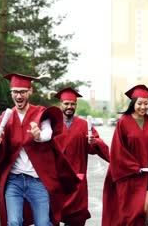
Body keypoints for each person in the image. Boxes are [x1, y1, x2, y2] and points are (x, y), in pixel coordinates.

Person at [0, 73, 81, 226]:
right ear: (11, 93)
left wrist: (38, 136)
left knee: (43, 223)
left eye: (23, 92)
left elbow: (48, 133)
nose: (19, 95)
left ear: (30, 91)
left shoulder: (40, 113)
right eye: (15, 92)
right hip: (14, 181)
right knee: (13, 222)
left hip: (37, 181)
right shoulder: (6, 117)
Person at [102, 84, 148, 226]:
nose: (143, 107)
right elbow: (117, 150)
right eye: (139, 103)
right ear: (133, 103)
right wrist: (134, 167)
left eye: (146, 103)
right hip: (129, 174)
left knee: (144, 209)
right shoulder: (123, 122)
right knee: (132, 212)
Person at [53, 87, 110, 226]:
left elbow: (96, 144)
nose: (69, 107)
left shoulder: (84, 125)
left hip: (76, 180)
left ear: (76, 105)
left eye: (72, 104)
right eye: (66, 103)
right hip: (56, 179)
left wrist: (94, 141)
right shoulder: (52, 124)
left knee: (76, 218)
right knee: (52, 216)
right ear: (61, 104)